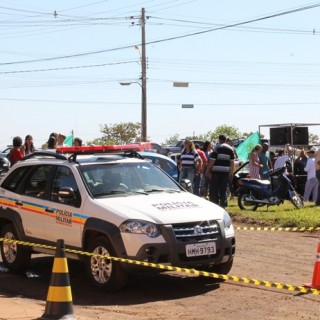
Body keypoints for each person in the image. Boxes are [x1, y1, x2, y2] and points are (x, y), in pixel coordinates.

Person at [206, 134, 234, 208]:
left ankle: (215, 204)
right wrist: (231, 172)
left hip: (216, 171)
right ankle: (223, 205)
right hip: (225, 172)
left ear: (219, 139)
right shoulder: (230, 149)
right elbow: (232, 163)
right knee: (223, 188)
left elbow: (212, 161)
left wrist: (207, 170)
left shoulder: (217, 147)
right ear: (225, 140)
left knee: (214, 189)